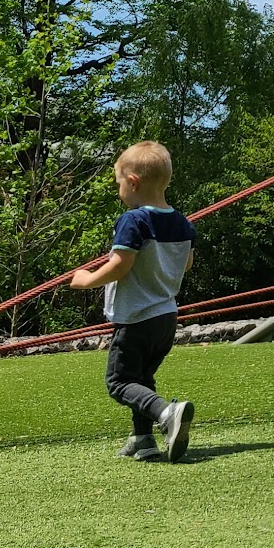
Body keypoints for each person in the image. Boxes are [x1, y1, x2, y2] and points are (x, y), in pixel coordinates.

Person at [69, 140, 197, 463]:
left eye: (118, 183)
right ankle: (143, 439)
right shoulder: (183, 223)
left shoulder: (133, 220)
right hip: (167, 319)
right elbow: (187, 263)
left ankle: (166, 413)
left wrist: (86, 279)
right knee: (142, 378)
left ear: (133, 182)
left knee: (119, 381)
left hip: (137, 319)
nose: (118, 190)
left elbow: (121, 265)